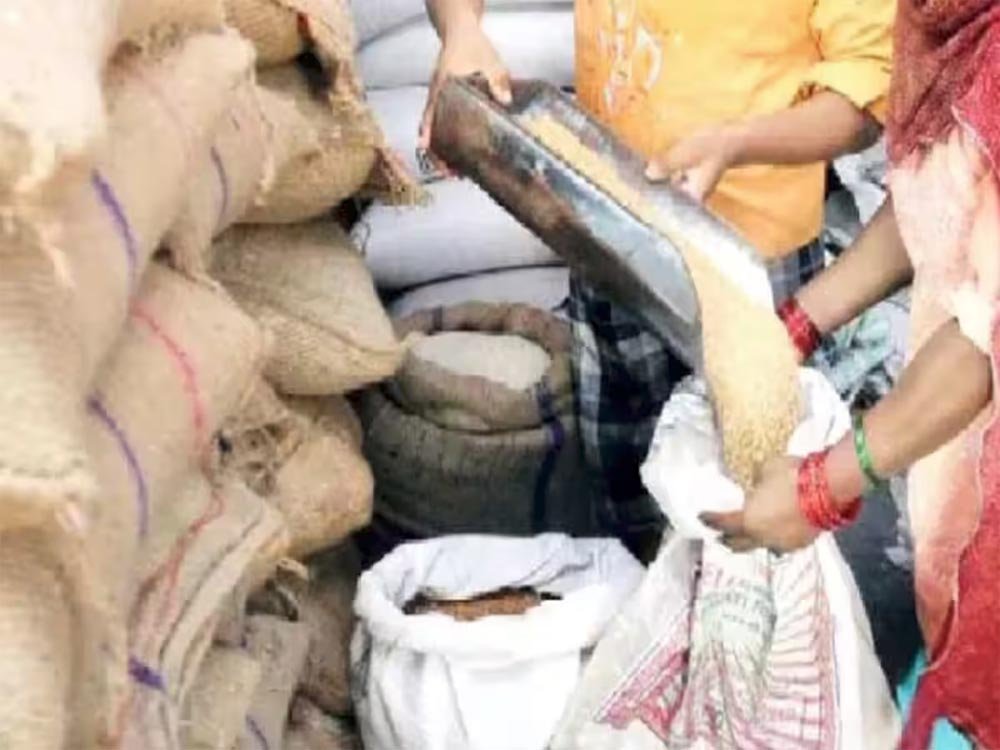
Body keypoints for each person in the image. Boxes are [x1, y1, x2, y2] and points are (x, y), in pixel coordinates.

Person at [420, 0, 894, 560]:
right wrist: (460, 29)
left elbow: (865, 100)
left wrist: (737, 143)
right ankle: (647, 597)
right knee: (627, 488)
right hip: (605, 227)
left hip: (747, 268)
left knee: (756, 514)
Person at [703, 3, 1000, 746]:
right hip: (964, 460)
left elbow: (984, 337)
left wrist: (821, 487)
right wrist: (792, 328)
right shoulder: (951, 24)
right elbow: (940, 195)